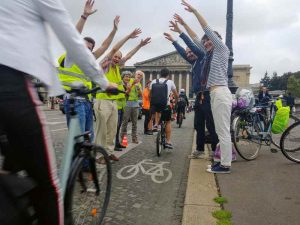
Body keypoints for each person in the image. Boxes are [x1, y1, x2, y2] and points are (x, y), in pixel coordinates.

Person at [0, 1, 116, 224]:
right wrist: (103, 82)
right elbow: (72, 39)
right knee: (49, 184)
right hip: (12, 84)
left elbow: (100, 49)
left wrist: (117, 32)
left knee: (12, 164)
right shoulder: (70, 55)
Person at [181, 0, 232, 173]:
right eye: (206, 42)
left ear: (216, 40)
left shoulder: (221, 50)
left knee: (223, 131)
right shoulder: (208, 55)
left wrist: (195, 11)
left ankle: (225, 165)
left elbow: (206, 29)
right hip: (215, 93)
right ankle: (222, 161)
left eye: (210, 41)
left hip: (220, 92)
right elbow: (196, 39)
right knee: (219, 129)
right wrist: (183, 25)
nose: (207, 43)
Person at [58, 0, 120, 141]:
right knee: (79, 140)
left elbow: (104, 46)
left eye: (90, 49)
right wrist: (84, 16)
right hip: (74, 101)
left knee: (89, 140)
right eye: (85, 47)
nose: (88, 50)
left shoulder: (88, 59)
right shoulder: (72, 54)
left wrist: (114, 30)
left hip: (86, 102)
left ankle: (85, 163)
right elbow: (74, 35)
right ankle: (78, 161)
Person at [164, 18, 219, 158]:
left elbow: (193, 46)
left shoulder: (202, 57)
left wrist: (181, 33)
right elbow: (183, 52)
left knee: (211, 124)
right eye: (188, 53)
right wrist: (174, 42)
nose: (188, 54)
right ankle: (200, 149)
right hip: (200, 97)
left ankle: (214, 150)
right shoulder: (194, 63)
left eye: (190, 52)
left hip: (207, 95)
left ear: (196, 51)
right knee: (198, 124)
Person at [94, 30, 151, 161]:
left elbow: (129, 56)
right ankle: (99, 156)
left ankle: (109, 152)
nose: (117, 59)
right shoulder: (105, 65)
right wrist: (128, 37)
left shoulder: (116, 68)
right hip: (103, 100)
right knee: (101, 131)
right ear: (111, 56)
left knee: (112, 130)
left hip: (113, 102)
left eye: (119, 58)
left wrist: (140, 46)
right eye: (115, 56)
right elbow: (114, 48)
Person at [150, 68, 178, 149]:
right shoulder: (170, 82)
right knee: (168, 121)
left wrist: (152, 101)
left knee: (157, 111)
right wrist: (176, 101)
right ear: (168, 75)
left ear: (160, 74)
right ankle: (168, 141)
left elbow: (150, 94)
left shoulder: (154, 81)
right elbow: (176, 95)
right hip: (166, 105)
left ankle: (156, 125)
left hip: (155, 104)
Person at [121, 71, 144, 143]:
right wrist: (133, 83)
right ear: (135, 75)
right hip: (127, 103)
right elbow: (127, 91)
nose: (139, 76)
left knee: (135, 123)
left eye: (141, 75)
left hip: (135, 104)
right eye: (138, 74)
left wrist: (139, 89)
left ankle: (134, 138)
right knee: (125, 122)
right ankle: (123, 139)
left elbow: (141, 95)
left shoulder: (139, 84)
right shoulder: (129, 80)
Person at [115, 71, 131, 150]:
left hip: (122, 108)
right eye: (126, 77)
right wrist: (127, 91)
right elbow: (119, 95)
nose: (127, 78)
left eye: (129, 77)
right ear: (122, 77)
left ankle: (117, 143)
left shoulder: (126, 85)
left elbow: (126, 98)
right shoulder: (119, 84)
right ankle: (114, 144)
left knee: (118, 127)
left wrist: (128, 91)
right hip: (116, 107)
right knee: (115, 127)